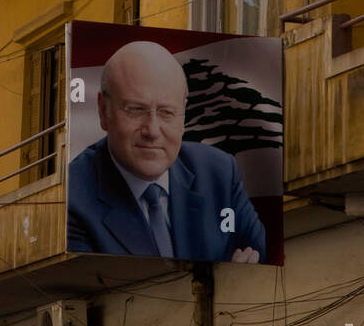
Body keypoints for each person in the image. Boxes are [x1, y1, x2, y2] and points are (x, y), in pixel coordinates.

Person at [66, 41, 266, 262]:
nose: (152, 131)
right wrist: (226, 278)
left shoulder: (220, 173)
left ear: (183, 116)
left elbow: (262, 262)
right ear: (104, 111)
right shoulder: (73, 199)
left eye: (166, 112)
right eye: (135, 109)